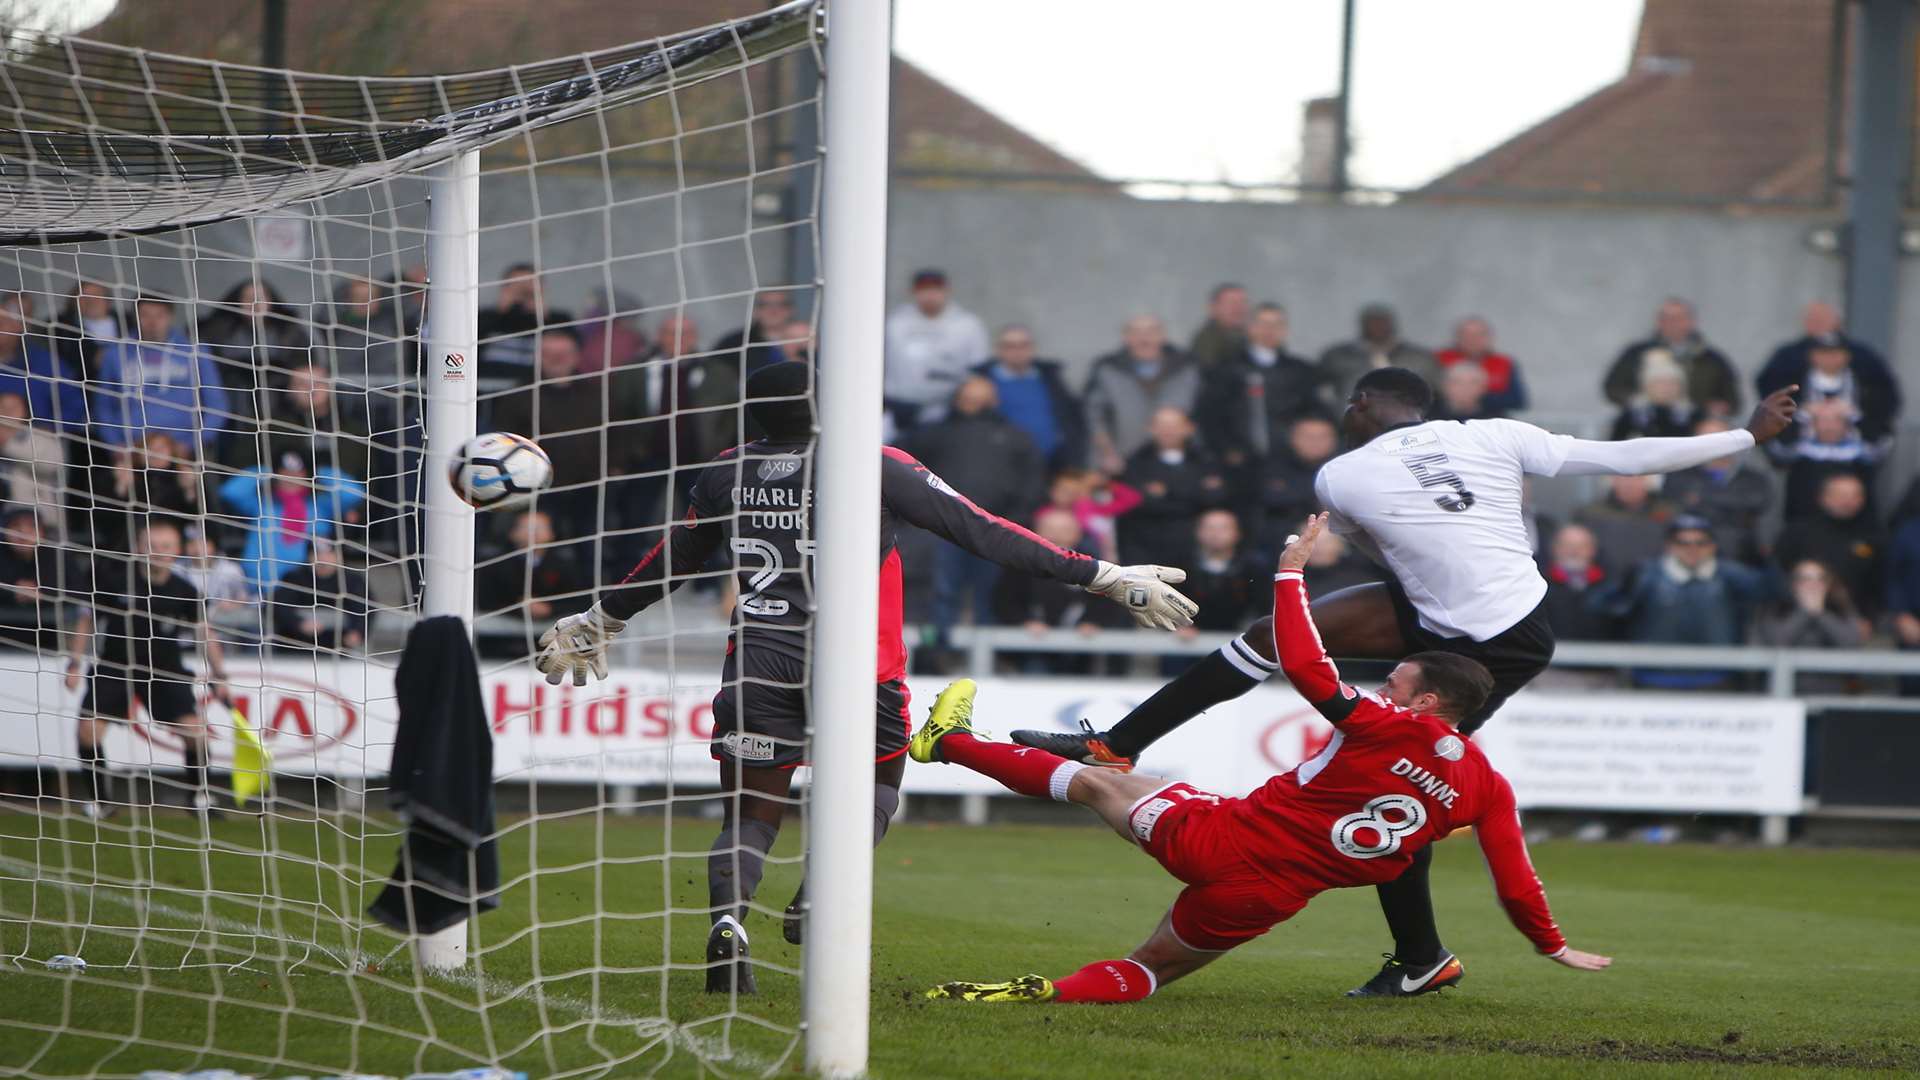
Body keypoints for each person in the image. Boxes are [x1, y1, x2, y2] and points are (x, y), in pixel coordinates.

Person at [1013, 367, 1796, 996]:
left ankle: (1421, 958)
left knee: (1398, 784)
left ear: (1362, 409)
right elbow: (1623, 456)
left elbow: (1381, 550)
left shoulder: (1341, 477)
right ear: (1425, 410)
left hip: (1495, 643)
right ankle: (1117, 746)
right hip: (1491, 615)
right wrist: (1746, 435)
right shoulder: (1495, 433)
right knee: (1271, 641)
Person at [530, 362, 1198, 995]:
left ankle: (728, 924)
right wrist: (1101, 575)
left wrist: (601, 618)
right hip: (857, 667)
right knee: (877, 786)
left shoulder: (726, 471)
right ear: (824, 405)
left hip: (760, 662)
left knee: (749, 814)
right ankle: (818, 889)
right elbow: (983, 531)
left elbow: (673, 556)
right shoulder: (872, 464)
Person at [919, 516, 1609, 1005]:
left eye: (1396, 681)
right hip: (1263, 899)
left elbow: (1307, 666)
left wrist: (1291, 572)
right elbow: (1516, 879)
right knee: (1150, 969)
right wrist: (1552, 946)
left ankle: (945, 741)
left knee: (1103, 781)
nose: (1383, 685)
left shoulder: (1382, 725)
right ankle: (1049, 993)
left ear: (1427, 700)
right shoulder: (1486, 788)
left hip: (1218, 841)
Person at [62, 519, 231, 819]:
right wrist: (75, 663)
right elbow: (87, 620)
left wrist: (220, 674)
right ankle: (102, 802)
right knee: (87, 731)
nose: (159, 552)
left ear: (177, 551)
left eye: (166, 547)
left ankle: (198, 799)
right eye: (152, 546)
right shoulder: (114, 580)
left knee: (197, 734)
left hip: (164, 669)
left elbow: (204, 632)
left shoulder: (185, 591)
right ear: (139, 548)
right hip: (116, 665)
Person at [906, 376, 1047, 647]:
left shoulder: (1016, 437)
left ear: (994, 400)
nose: (972, 402)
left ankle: (987, 657)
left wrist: (1014, 520)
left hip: (994, 528)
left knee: (990, 594)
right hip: (941, 527)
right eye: (968, 396)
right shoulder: (934, 434)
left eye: (979, 397)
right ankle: (937, 654)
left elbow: (1032, 480)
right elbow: (908, 471)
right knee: (940, 593)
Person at [1592, 516, 1773, 690]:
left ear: (1713, 546)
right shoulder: (1646, 575)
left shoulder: (1731, 575)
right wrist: (1622, 588)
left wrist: (1762, 557)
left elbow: (1771, 591)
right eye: (1683, 543)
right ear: (1669, 546)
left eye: (1701, 543)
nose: (1692, 549)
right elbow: (1606, 608)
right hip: (1654, 680)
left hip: (1716, 680)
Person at [490, 329, 610, 538]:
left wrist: (614, 467)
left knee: (589, 544)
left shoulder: (597, 394)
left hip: (588, 487)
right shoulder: (518, 396)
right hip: (534, 489)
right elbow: (502, 439)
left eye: (563, 354)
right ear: (538, 356)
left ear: (576, 356)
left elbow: (617, 433)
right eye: (549, 354)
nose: (556, 360)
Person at [1194, 302, 1324, 480]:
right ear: (1250, 328)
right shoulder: (1226, 369)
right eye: (1263, 324)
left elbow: (1313, 411)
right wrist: (1228, 450)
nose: (1269, 330)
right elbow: (1209, 415)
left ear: (1285, 330)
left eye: (1276, 325)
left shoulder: (1300, 371)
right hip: (1241, 465)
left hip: (1292, 463)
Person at [93, 296, 232, 461]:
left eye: (159, 315)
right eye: (145, 315)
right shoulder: (115, 353)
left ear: (170, 317)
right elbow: (103, 405)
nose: (152, 322)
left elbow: (217, 405)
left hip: (183, 446)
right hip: (132, 446)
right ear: (135, 317)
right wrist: (115, 444)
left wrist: (193, 443)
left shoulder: (195, 351)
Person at [217, 450, 367, 593]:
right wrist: (265, 470)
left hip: (306, 592)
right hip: (259, 591)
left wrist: (319, 472)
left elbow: (354, 494)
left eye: (297, 473)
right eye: (285, 473)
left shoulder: (320, 506)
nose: (291, 479)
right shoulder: (262, 505)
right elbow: (230, 492)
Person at [1755, 302, 1901, 447]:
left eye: (1822, 319)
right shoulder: (1786, 357)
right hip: (1800, 443)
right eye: (1813, 320)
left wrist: (1852, 413)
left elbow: (1886, 395)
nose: (1828, 359)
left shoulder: (1864, 357)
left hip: (1856, 443)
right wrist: (1804, 411)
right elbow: (1770, 392)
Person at [1083, 315, 1202, 473]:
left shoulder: (1188, 367)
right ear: (1125, 337)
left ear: (1163, 335)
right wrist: (1107, 453)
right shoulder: (1107, 369)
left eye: (1151, 331)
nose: (1144, 338)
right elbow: (1094, 416)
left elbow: (1202, 412)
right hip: (1124, 460)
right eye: (1136, 332)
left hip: (1182, 462)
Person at [882, 268, 989, 432]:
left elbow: (978, 370)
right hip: (897, 407)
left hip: (946, 409)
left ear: (946, 291)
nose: (930, 295)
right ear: (913, 292)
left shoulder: (968, 325)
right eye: (924, 290)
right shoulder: (894, 323)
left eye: (936, 289)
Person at [1119, 407, 1227, 569]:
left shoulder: (1206, 459)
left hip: (1195, 551)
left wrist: (1166, 491)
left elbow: (1215, 498)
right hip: (1147, 547)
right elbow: (1140, 502)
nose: (1168, 431)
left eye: (1174, 425)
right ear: (1150, 429)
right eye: (1162, 425)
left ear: (1189, 428)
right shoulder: (1136, 462)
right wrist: (1193, 492)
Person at [970, 325, 1086, 471]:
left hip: (1052, 464)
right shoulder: (982, 383)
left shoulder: (1051, 379)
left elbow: (1071, 418)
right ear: (998, 350)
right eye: (1010, 346)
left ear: (1032, 348)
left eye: (1023, 345)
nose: (1017, 351)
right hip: (1004, 464)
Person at [1774, 472, 1888, 619]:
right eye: (1841, 495)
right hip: (1796, 614)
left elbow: (1879, 584)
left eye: (1855, 496)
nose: (1848, 501)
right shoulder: (1797, 533)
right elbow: (1777, 575)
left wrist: (1869, 618)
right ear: (1823, 498)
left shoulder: (1873, 538)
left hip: (1852, 619)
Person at [1662, 417, 1775, 565]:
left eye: (1717, 438)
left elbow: (1757, 503)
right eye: (1705, 439)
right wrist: (1732, 505)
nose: (1711, 445)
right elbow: (1675, 508)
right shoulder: (1678, 475)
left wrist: (1701, 498)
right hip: (1688, 555)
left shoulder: (1753, 479)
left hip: (1739, 556)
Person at [1603, 298, 1741, 417]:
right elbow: (1613, 388)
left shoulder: (1712, 359)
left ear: (1691, 321)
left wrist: (1712, 408)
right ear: (1658, 321)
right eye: (1667, 318)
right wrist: (1638, 402)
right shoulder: (1636, 354)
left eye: (1679, 318)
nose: (1673, 323)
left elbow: (1731, 399)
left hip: (1697, 428)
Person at [477, 509, 593, 625]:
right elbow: (484, 598)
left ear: (551, 534)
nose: (533, 533)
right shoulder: (495, 565)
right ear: (512, 533)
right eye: (526, 528)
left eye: (540, 528)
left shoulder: (566, 565)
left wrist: (550, 608)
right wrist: (517, 607)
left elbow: (580, 600)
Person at [1253, 416, 1338, 556]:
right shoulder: (1271, 468)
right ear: (1293, 438)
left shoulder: (1344, 470)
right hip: (1284, 540)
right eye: (1308, 437)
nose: (1315, 443)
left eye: (1322, 437)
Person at [1317, 303, 1437, 401]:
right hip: (1352, 420)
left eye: (1382, 322)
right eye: (1373, 322)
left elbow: (1434, 390)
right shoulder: (1338, 356)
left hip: (1410, 421)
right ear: (1363, 325)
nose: (1378, 327)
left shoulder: (1418, 357)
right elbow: (1321, 390)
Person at [477, 263, 573, 382]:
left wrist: (541, 312)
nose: (523, 294)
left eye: (530, 288)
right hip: (488, 386)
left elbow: (569, 356)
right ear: (504, 289)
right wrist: (503, 309)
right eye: (516, 286)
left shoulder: (558, 319)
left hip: (535, 391)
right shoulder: (485, 318)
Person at [269, 539, 369, 652]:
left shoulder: (352, 580)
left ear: (338, 557)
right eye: (317, 554)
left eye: (328, 554)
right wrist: (298, 623)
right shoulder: (295, 578)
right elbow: (277, 605)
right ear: (309, 557)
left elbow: (365, 608)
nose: (323, 559)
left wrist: (358, 631)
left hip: (339, 649)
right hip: (296, 647)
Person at [1573, 474, 1675, 581]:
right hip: (1603, 582)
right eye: (1622, 477)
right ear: (1611, 480)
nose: (1628, 483)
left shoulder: (1667, 513)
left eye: (1636, 477)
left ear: (1649, 480)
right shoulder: (1590, 514)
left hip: (1654, 583)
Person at [0, 390, 66, 537]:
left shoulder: (40, 438)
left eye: (13, 408)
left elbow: (52, 465)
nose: (7, 413)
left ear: (25, 411)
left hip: (35, 514)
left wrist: (7, 444)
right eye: (2, 408)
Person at [1434, 316, 1527, 414]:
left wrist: (1479, 397)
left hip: (1490, 417)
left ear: (1490, 337)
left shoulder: (1504, 363)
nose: (1472, 339)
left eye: (1478, 335)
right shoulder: (1439, 360)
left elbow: (1518, 401)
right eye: (1466, 335)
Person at [1539, 524, 1615, 643]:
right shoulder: (1538, 589)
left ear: (1593, 551)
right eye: (1567, 546)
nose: (1574, 552)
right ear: (1554, 549)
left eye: (1582, 546)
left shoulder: (1610, 588)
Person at [713, 290, 793, 376]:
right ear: (755, 310)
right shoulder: (735, 343)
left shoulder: (805, 340)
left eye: (780, 304)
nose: (773, 310)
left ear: (791, 309)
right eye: (765, 305)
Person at [1185, 282, 1249, 371]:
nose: (1239, 308)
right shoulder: (1207, 340)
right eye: (1232, 303)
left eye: (1242, 303)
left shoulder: (1247, 336)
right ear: (1214, 307)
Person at [1430, 362, 1502, 423]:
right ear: (1444, 386)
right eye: (1457, 382)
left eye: (1473, 383)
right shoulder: (1427, 419)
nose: (1465, 388)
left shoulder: (1497, 422)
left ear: (1484, 387)